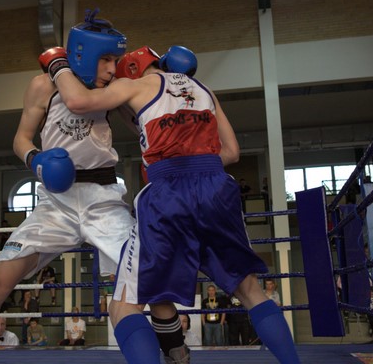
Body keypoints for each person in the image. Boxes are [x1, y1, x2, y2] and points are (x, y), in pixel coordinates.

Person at [51, 44, 301, 363]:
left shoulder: (135, 85)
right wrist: (192, 160)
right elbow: (232, 153)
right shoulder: (203, 89)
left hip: (168, 193)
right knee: (251, 291)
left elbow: (77, 102)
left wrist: (57, 63)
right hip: (217, 189)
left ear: (130, 70)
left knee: (124, 305)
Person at [0, 9, 134, 363]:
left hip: (104, 198)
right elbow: (21, 138)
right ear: (85, 54)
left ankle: (173, 353)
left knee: (138, 285)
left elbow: (144, 124)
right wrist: (36, 159)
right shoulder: (42, 86)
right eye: (106, 59)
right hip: (55, 202)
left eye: (116, 60)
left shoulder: (115, 87)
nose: (113, 68)